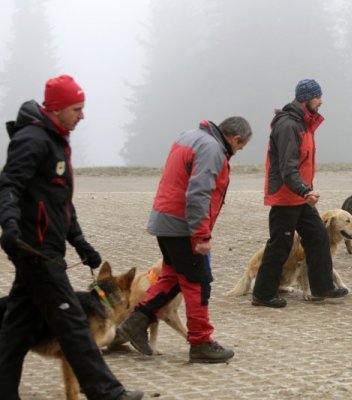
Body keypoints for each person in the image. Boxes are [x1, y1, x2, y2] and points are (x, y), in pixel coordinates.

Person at [0, 75, 143, 400]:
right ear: (57, 108)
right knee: (75, 324)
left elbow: (60, 201)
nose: (82, 115)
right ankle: (106, 393)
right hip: (34, 249)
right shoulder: (33, 140)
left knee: (16, 330)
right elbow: (8, 186)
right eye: (77, 109)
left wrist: (80, 243)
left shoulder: (55, 140)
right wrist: (8, 227)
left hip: (46, 246)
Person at [117, 116, 252, 363]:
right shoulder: (212, 149)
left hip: (165, 220)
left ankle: (134, 323)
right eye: (240, 147)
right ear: (235, 138)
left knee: (171, 278)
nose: (238, 151)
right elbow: (199, 193)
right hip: (183, 226)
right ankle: (201, 343)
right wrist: (201, 234)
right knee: (198, 283)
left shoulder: (189, 136)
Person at [251, 79, 349, 308]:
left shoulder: (303, 123)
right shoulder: (289, 126)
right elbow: (287, 167)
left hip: (300, 196)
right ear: (307, 99)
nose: (321, 101)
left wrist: (304, 192)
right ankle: (262, 294)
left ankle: (322, 287)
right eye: (318, 97)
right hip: (287, 196)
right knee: (280, 245)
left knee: (317, 236)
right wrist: (305, 190)